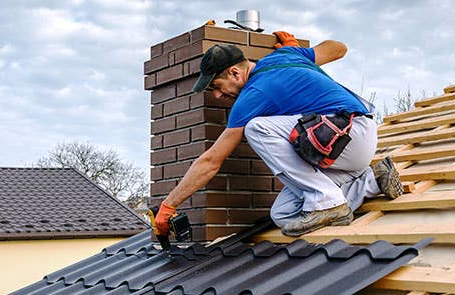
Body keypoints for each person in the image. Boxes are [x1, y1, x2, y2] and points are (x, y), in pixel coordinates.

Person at [154, 31, 402, 237]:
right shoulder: (287, 54)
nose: (218, 96)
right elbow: (339, 48)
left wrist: (169, 205)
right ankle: (372, 181)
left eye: (216, 87)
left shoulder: (253, 94)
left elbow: (211, 161)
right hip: (345, 148)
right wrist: (301, 56)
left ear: (234, 73)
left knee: (257, 128)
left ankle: (328, 201)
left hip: (349, 133)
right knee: (283, 214)